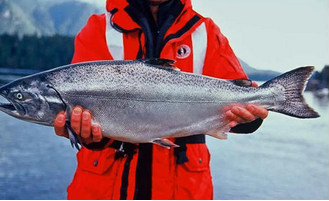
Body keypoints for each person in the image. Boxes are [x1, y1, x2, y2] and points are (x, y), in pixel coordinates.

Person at [54, 0, 268, 199]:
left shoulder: (205, 33)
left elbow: (240, 96)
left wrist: (250, 118)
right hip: (104, 189)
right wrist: (90, 137)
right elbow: (85, 116)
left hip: (183, 189)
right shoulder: (99, 30)